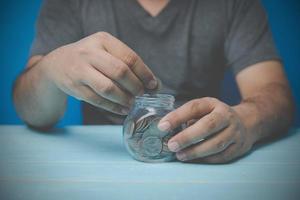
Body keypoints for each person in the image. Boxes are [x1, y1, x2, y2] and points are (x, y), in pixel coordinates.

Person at [13, 0, 294, 163]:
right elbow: (32, 112)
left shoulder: (234, 4)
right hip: (102, 165)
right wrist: (50, 68)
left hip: (197, 156)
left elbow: (275, 94)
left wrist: (246, 121)